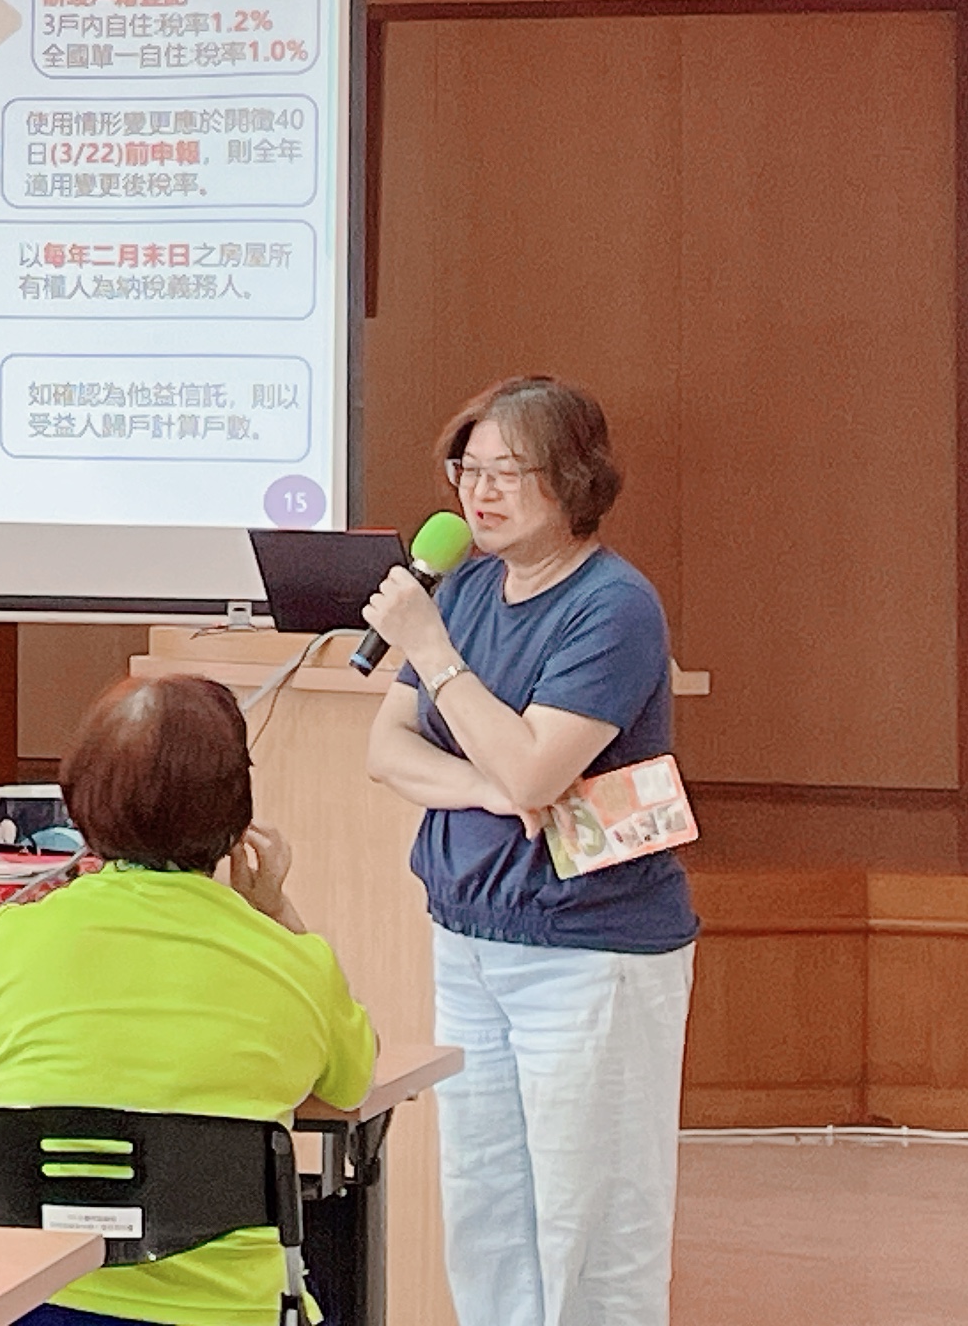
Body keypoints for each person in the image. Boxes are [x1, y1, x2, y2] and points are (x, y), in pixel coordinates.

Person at [361, 376, 696, 1326]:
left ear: (576, 478)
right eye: (468, 469)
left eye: (509, 471)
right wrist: (487, 789)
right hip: (468, 936)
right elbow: (388, 750)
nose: (481, 492)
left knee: (591, 1219)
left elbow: (537, 767)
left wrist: (436, 656)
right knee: (487, 1211)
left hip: (589, 948)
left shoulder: (614, 606)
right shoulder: (466, 587)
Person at [0, 674, 377, 1326]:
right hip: (230, 1314)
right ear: (236, 818)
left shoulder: (7, 936)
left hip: (41, 1301)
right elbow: (349, 1089)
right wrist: (278, 914)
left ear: (79, 803)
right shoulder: (294, 961)